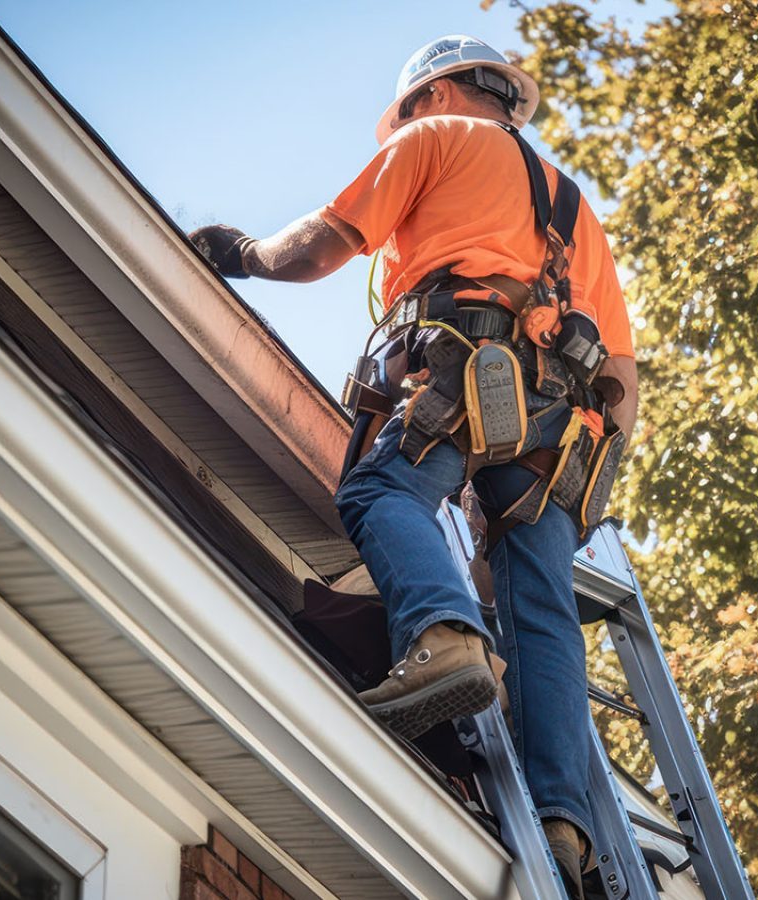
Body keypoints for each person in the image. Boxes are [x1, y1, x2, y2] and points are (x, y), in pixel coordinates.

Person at [188, 35, 637, 897]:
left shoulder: (430, 140)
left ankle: (441, 638)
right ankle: (564, 822)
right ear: (505, 96)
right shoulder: (577, 214)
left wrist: (242, 252)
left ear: (430, 97)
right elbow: (621, 381)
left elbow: (322, 245)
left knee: (382, 486)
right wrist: (583, 475)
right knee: (542, 605)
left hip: (463, 364)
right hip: (559, 428)